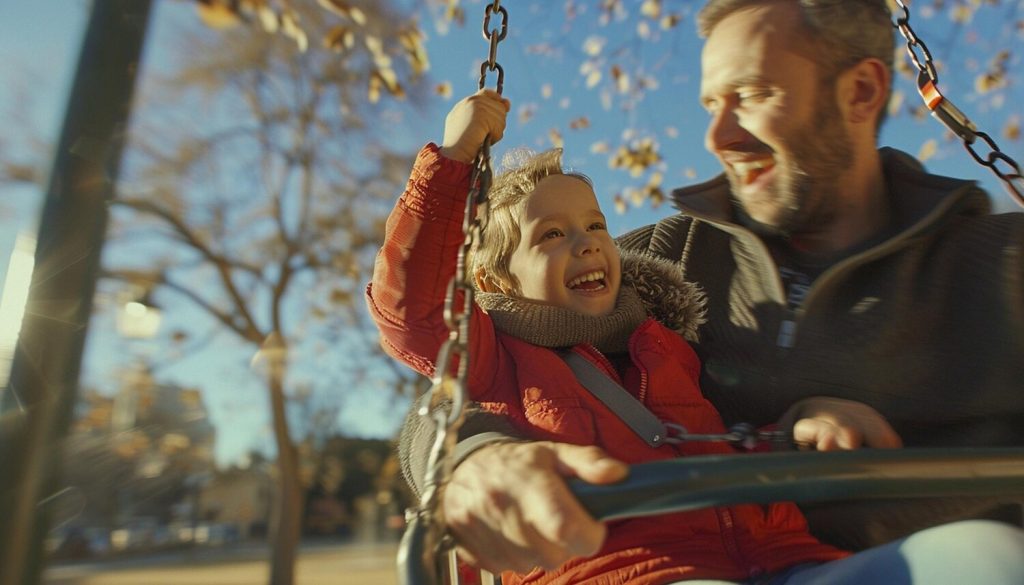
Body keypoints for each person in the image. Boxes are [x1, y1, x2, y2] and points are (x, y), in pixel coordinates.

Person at [393, 0, 1024, 583]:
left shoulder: (1000, 264)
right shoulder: (671, 262)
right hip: (638, 568)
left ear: (860, 91)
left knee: (987, 558)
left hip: (786, 560)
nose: (717, 137)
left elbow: (712, 437)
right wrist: (466, 456)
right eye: (710, 104)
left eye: (752, 95)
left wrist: (797, 429)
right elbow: (433, 346)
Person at [368, 86, 896, 583]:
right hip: (622, 569)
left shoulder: (665, 348)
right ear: (493, 279)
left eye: (595, 226)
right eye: (551, 234)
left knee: (970, 553)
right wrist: (454, 159)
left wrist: (796, 429)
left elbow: (713, 450)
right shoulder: (492, 356)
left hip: (780, 557)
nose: (587, 244)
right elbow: (411, 308)